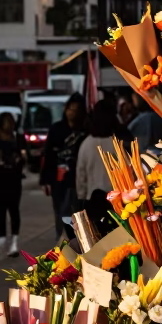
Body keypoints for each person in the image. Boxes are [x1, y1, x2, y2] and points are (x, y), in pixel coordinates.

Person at [40, 93, 87, 237]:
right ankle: (64, 236)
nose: (72, 113)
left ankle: (75, 237)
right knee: (61, 209)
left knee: (76, 209)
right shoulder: (57, 129)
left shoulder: (85, 129)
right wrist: (45, 180)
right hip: (59, 178)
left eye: (75, 110)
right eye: (70, 109)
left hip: (78, 178)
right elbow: (48, 155)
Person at [75, 98, 120, 227]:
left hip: (91, 202)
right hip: (116, 201)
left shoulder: (86, 144)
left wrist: (81, 197)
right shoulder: (117, 143)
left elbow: (80, 175)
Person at [0, 111, 25, 256]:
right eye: (6, 122)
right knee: (1, 209)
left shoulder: (17, 137)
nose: (8, 125)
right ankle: (2, 237)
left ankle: (14, 241)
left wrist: (18, 159)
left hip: (13, 178)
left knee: (14, 209)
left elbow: (23, 155)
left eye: (10, 122)